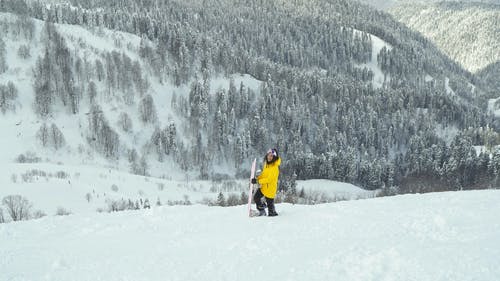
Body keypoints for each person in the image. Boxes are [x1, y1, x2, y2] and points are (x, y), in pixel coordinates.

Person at [251, 148, 281, 216]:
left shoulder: (275, 168)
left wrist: (258, 181)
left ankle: (274, 218)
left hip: (270, 190)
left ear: (274, 157)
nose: (269, 157)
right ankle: (262, 211)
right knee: (256, 197)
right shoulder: (267, 164)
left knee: (271, 212)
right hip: (264, 187)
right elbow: (264, 175)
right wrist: (257, 178)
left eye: (271, 156)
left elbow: (269, 179)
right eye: (268, 155)